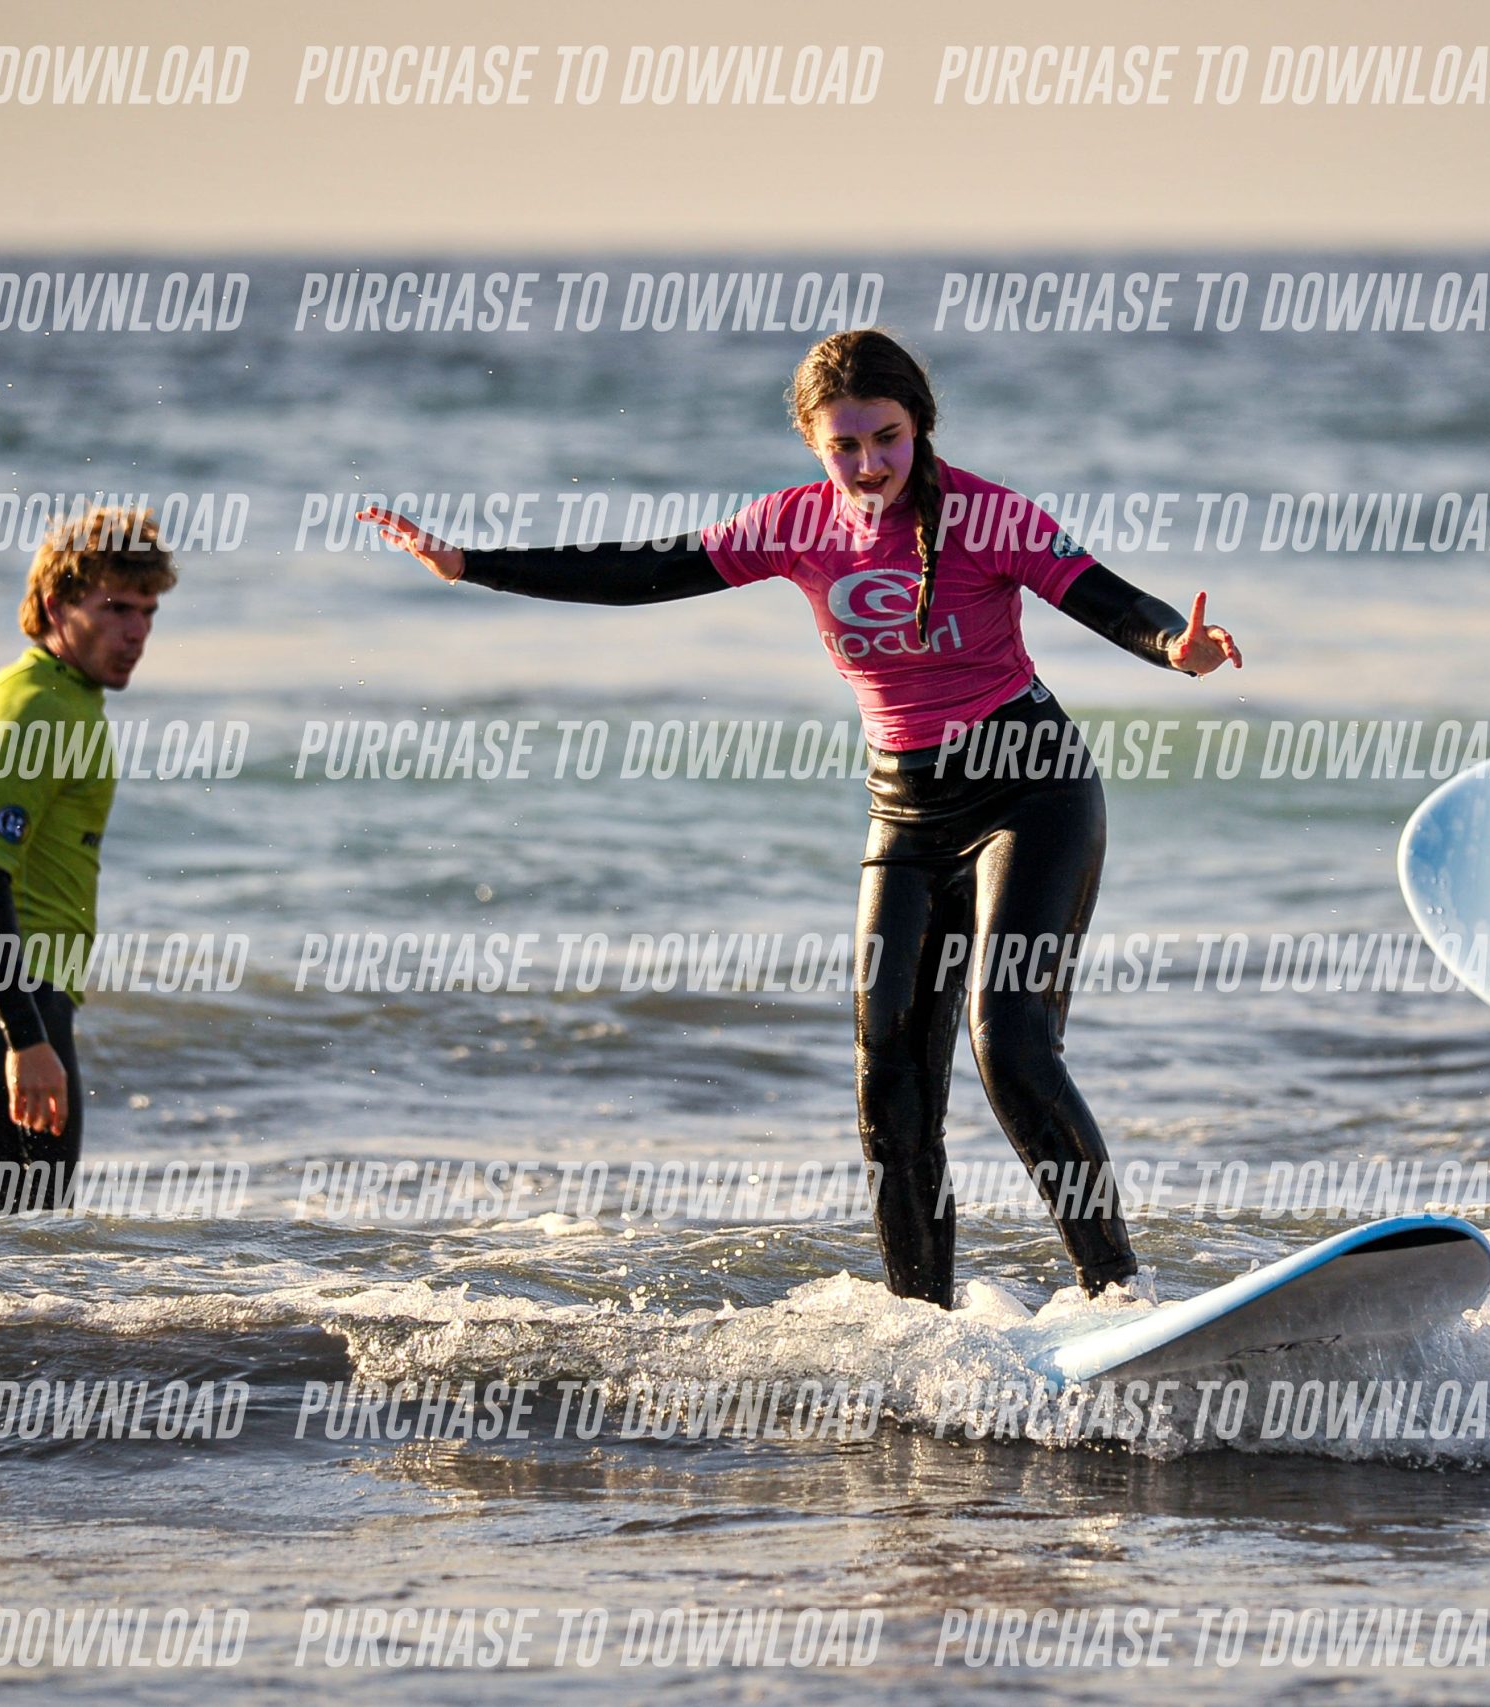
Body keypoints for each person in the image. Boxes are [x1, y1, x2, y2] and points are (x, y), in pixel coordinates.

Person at [363, 329, 1240, 1304]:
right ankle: (922, 1324)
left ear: (921, 426)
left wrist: (1176, 645)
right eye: (844, 446)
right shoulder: (793, 524)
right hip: (905, 812)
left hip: (1031, 790)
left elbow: (1109, 599)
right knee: (889, 1081)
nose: (868, 465)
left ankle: (1117, 1293)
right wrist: (472, 564)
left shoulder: (990, 517)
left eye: (886, 438)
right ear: (814, 445)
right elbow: (643, 570)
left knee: (1011, 1046)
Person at [0, 507, 175, 1217]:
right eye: (116, 609)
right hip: (4, 1005)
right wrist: (26, 1039)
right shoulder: (40, 708)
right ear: (58, 605)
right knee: (29, 1254)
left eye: (148, 613)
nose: (137, 633)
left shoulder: (49, 695)